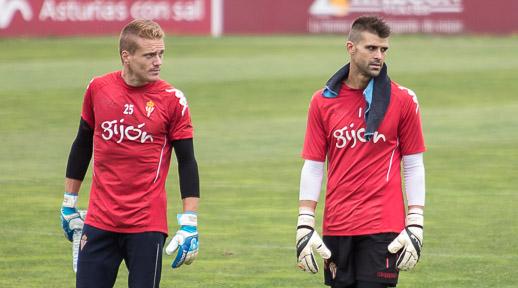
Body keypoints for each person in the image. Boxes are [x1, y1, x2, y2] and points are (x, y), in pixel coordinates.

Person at [60, 19, 200, 288]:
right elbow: (82, 144)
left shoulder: (173, 100)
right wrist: (69, 203)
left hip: (147, 226)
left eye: (161, 54)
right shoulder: (98, 88)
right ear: (127, 56)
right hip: (99, 221)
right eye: (149, 55)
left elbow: (187, 161)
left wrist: (190, 222)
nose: (158, 61)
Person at [295, 16, 426, 288]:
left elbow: (413, 164)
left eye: (384, 49)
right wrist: (305, 222)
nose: (379, 55)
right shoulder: (322, 101)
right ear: (350, 48)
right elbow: (314, 164)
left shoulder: (403, 99)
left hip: (382, 226)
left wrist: (416, 222)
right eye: (371, 48)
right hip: (337, 225)